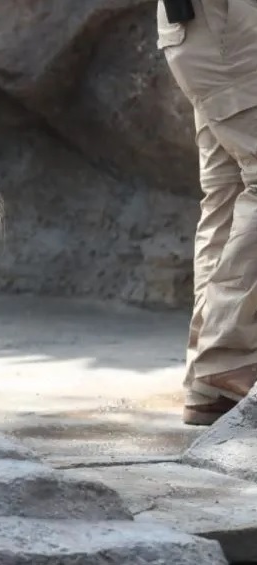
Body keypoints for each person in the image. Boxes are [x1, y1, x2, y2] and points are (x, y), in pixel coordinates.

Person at [156, 0, 257, 425]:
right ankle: (227, 355)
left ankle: (208, 381)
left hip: (210, 28)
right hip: (227, 26)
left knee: (228, 194)